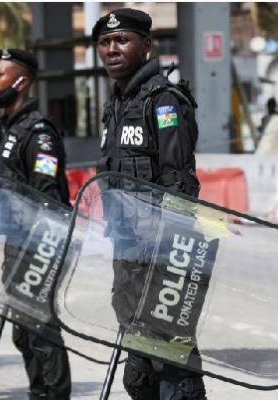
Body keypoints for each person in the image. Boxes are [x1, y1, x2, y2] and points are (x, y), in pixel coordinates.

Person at [92, 8, 205, 400]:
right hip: (126, 255)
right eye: (105, 43)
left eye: (121, 40)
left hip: (162, 254)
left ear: (146, 45)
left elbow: (181, 185)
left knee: (174, 366)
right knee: (138, 372)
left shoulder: (164, 102)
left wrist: (171, 259)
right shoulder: (116, 106)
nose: (112, 49)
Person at [0, 48, 71, 400]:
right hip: (15, 243)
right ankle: (39, 393)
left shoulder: (38, 133)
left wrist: (39, 252)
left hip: (38, 246)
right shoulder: (10, 128)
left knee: (40, 330)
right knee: (23, 332)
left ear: (20, 81)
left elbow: (47, 198)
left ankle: (54, 395)